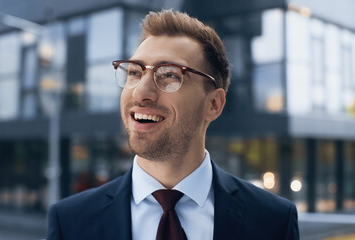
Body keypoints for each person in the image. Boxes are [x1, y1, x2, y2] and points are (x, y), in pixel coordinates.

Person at [46, 9, 299, 240]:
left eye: (168, 75)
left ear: (214, 104)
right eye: (134, 72)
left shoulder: (274, 221)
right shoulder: (70, 222)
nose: (140, 92)